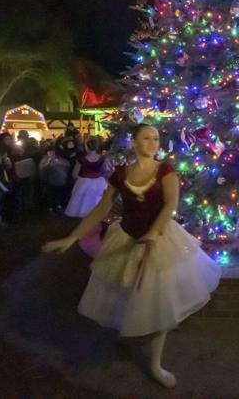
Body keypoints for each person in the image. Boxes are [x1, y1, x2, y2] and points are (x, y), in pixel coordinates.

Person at [43, 124, 221, 388]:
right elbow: (100, 209)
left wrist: (153, 232)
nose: (152, 142)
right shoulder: (120, 174)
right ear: (134, 143)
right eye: (146, 138)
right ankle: (130, 332)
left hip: (160, 242)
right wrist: (73, 236)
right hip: (126, 237)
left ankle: (155, 363)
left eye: (156, 138)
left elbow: (171, 204)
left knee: (160, 302)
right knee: (125, 292)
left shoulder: (165, 171)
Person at [64, 137, 107, 218]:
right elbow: (104, 171)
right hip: (99, 182)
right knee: (97, 199)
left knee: (83, 202)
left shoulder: (82, 159)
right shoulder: (102, 158)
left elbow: (74, 174)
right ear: (97, 146)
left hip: (84, 182)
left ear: (86, 147)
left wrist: (83, 178)